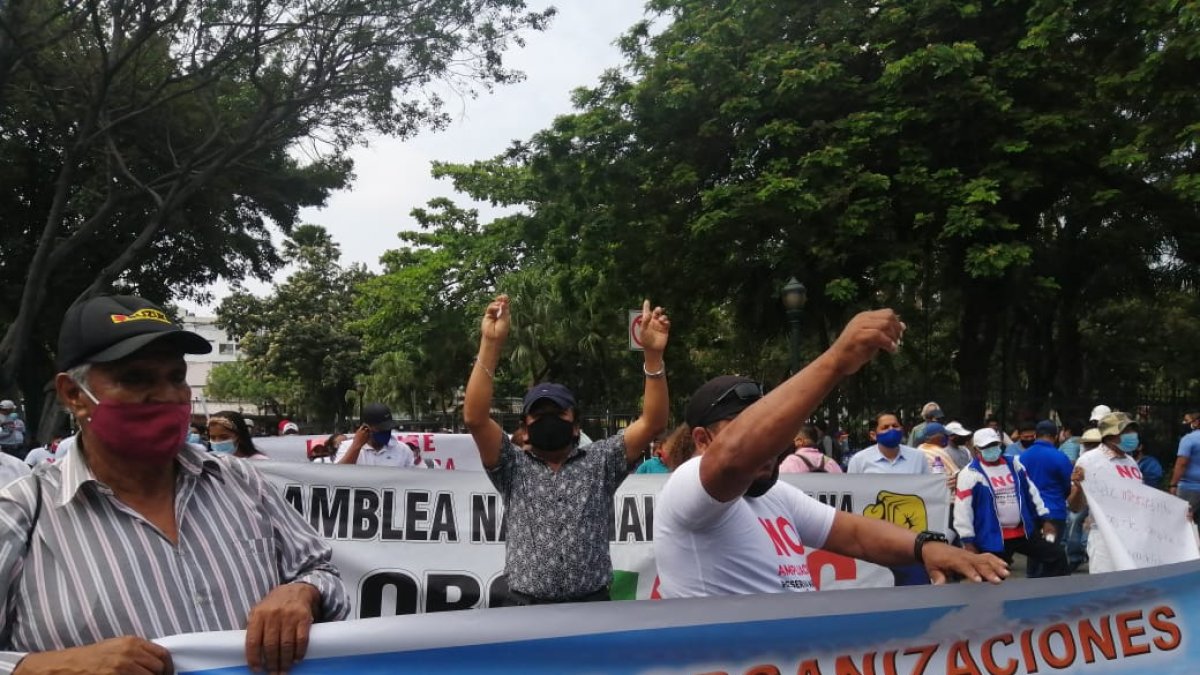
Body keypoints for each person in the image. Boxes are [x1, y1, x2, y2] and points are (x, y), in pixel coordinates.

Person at [0, 294, 347, 674]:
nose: (167, 395)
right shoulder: (20, 515)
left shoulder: (241, 482)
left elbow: (321, 572)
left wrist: (302, 593)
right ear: (73, 395)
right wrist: (43, 667)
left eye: (176, 377)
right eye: (136, 378)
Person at [653, 311, 1009, 598]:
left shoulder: (775, 497)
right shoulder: (687, 488)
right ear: (702, 440)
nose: (771, 444)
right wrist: (836, 360)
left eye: (774, 430)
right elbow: (734, 458)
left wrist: (927, 547)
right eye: (752, 430)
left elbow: (854, 533)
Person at [464, 296, 670, 605]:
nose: (548, 421)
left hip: (591, 607)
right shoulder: (511, 466)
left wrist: (653, 356)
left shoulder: (601, 461)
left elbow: (653, 422)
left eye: (558, 414)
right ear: (524, 427)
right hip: (525, 608)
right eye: (538, 415)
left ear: (576, 426)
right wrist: (491, 343)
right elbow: (475, 418)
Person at [955, 428, 1068, 577]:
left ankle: (1054, 589)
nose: (991, 449)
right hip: (992, 536)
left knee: (1057, 555)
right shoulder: (969, 474)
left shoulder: (1014, 464)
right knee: (991, 577)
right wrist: (968, 541)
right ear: (976, 450)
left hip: (1023, 532)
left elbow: (1032, 492)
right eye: (986, 447)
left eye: (994, 445)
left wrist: (1045, 519)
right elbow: (963, 510)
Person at [1069, 412, 1148, 573]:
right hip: (1105, 539)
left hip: (1132, 536)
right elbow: (1075, 507)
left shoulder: (1131, 462)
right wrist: (1078, 488)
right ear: (1110, 435)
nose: (1132, 435)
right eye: (1126, 431)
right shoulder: (1089, 460)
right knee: (1105, 585)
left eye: (1133, 430)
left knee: (1131, 585)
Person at [1016, 420, 1073, 576]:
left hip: (1029, 515)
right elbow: (1067, 486)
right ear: (1055, 436)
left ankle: (1032, 583)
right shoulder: (1060, 457)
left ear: (1036, 435)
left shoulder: (1022, 457)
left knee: (1034, 554)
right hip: (1053, 514)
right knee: (1050, 553)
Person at [847, 412, 930, 474]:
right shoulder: (859, 460)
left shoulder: (918, 458)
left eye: (895, 426)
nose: (891, 429)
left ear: (901, 430)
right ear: (873, 435)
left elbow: (927, 487)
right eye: (885, 427)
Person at [336, 403, 415, 467]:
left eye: (388, 428)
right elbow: (339, 474)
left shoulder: (403, 450)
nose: (386, 431)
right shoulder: (347, 447)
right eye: (381, 428)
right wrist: (356, 446)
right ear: (366, 427)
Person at [1169, 411, 1200, 515]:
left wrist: (1173, 485)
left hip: (1189, 488)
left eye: (1187, 421)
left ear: (1196, 422)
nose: (1184, 423)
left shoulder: (1188, 439)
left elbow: (1181, 464)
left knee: (1183, 519)